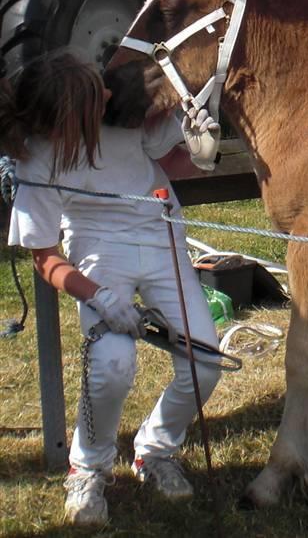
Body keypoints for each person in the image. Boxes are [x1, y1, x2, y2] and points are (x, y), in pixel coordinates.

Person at [0, 51, 222, 526]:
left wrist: (196, 116)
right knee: (111, 364)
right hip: (99, 250)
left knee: (206, 362)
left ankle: (156, 451)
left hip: (162, 236)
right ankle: (88, 467)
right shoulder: (38, 160)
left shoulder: (117, 111)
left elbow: (160, 139)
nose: (107, 92)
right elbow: (44, 257)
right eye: (94, 94)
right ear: (68, 117)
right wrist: (97, 295)